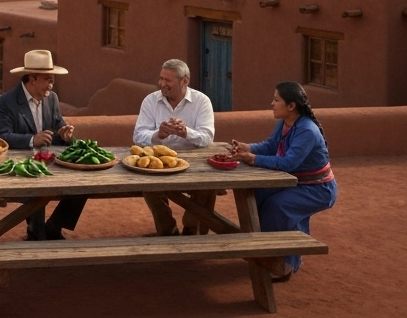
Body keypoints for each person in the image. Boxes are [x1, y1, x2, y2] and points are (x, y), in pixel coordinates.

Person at [230, 82, 337, 282]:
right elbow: (271, 145)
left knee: (277, 206)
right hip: (296, 183)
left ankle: (283, 264)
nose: (272, 103)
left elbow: (289, 162)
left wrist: (252, 158)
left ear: (291, 106)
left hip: (317, 189)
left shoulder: (306, 130)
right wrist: (248, 147)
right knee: (257, 195)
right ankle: (265, 252)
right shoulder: (286, 122)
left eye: (276, 100)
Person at [0, 49, 85, 240]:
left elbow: (58, 127)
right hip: (20, 167)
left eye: (52, 80)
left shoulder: (52, 99)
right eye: (48, 79)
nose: (52, 85)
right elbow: (1, 136)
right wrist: (31, 140)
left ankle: (54, 226)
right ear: (33, 78)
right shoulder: (7, 102)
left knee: (83, 185)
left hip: (49, 162)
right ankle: (36, 232)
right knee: (37, 187)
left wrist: (66, 136)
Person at [134, 59, 216, 235]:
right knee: (149, 187)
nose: (162, 84)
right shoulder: (150, 101)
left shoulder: (202, 102)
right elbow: (138, 136)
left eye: (167, 80)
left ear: (184, 81)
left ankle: (193, 232)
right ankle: (167, 232)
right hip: (159, 165)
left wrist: (186, 132)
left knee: (208, 187)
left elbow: (207, 137)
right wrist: (159, 134)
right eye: (161, 79)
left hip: (193, 164)